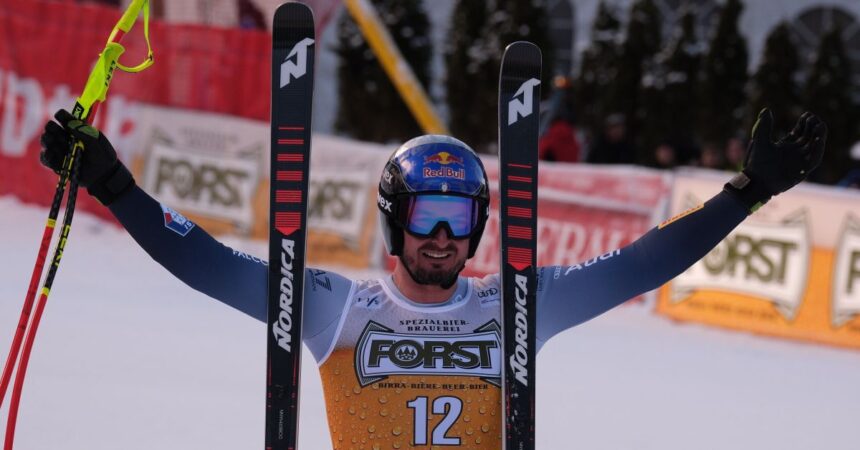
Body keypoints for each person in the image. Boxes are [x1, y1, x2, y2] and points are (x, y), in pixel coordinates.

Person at [39, 108, 826, 448]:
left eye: (459, 217)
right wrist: (115, 186)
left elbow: (643, 264)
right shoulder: (334, 307)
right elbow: (207, 264)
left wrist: (743, 194)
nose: (444, 237)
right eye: (425, 216)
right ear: (394, 219)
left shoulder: (516, 305)